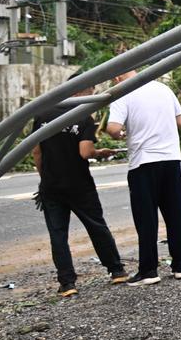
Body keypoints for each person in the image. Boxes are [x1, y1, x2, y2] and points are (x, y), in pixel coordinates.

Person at [32, 73, 128, 297]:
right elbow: (85, 152)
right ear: (78, 90)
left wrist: (45, 176)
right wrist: (100, 152)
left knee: (58, 234)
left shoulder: (42, 113)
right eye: (90, 91)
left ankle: (67, 284)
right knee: (96, 226)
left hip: (51, 186)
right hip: (79, 185)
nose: (92, 96)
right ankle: (116, 271)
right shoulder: (84, 117)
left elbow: (36, 151)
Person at [106, 70, 181, 285]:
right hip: (171, 159)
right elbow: (179, 122)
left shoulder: (123, 94)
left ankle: (149, 271)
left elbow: (113, 128)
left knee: (146, 220)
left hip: (143, 163)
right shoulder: (164, 88)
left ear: (118, 77)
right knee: (175, 215)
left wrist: (122, 134)